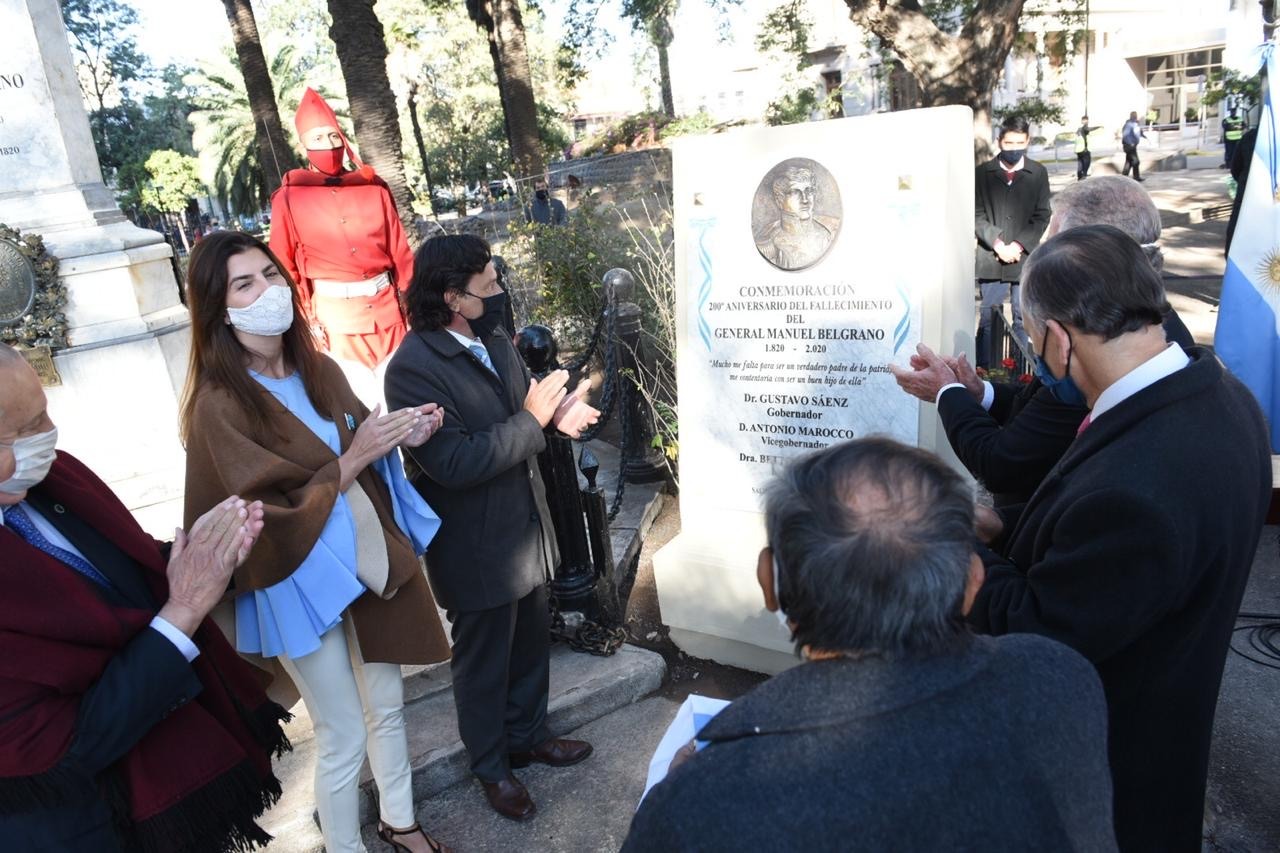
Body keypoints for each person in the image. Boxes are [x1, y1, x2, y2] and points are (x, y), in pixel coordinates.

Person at [623, 437, 1117, 852]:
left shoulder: (698, 808)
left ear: (769, 581)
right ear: (972, 583)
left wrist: (680, 795)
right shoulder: (1063, 677)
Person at [967, 225, 1271, 853]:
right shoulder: (1223, 395)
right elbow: (1116, 565)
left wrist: (950, 547)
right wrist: (1008, 527)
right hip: (1167, 743)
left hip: (1106, 789)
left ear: (1056, 338)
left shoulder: (1137, 486)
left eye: (1030, 335)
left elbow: (1039, 630)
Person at [180, 232, 453, 853]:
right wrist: (353, 460)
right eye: (244, 284)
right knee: (342, 732)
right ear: (219, 309)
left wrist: (402, 435)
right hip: (293, 579)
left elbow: (360, 437)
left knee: (387, 703)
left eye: (271, 275)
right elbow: (253, 514)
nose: (267, 291)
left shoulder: (319, 369)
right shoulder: (217, 407)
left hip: (360, 555)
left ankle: (401, 821)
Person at [0, 345, 291, 852]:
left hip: (181, 799)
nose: (47, 433)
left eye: (43, 411)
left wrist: (200, 556)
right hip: (94, 824)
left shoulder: (53, 480)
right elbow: (62, 743)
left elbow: (117, 577)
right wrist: (182, 611)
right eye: (24, 430)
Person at [384, 234, 600, 822]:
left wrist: (557, 414)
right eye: (488, 284)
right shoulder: (411, 370)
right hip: (474, 544)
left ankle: (529, 736)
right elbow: (453, 462)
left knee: (531, 642)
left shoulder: (491, 337)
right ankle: (492, 767)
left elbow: (516, 410)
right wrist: (533, 421)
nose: (499, 291)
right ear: (453, 295)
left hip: (522, 529)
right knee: (483, 664)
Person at [893, 175, 1194, 506]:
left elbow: (1003, 464)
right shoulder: (1144, 329)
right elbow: (1040, 413)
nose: (1045, 252)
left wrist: (946, 392)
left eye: (1054, 244)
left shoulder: (1098, 358)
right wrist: (982, 394)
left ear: (1095, 254)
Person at [268, 88, 414, 405]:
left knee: (406, 397)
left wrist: (415, 303)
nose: (329, 146)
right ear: (303, 144)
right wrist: (306, 318)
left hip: (389, 314)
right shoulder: (289, 198)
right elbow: (284, 267)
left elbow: (400, 252)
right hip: (337, 323)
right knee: (358, 405)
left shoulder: (373, 188)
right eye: (318, 138)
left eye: (333, 136)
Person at [974, 115, 1051, 366]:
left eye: (1020, 142)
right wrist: (997, 243)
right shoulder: (982, 173)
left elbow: (1042, 215)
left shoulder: (1038, 173)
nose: (1014, 148)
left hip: (1024, 258)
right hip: (991, 257)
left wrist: (1018, 245)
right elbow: (975, 214)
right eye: (1009, 143)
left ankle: (1021, 371)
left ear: (1028, 140)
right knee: (989, 318)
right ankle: (985, 370)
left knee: (1023, 318)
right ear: (999, 141)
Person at [752, 164, 838, 270]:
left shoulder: (827, 235)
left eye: (808, 191)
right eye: (795, 192)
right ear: (779, 200)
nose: (805, 200)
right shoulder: (767, 246)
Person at [1075, 114, 1102, 180]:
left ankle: (1079, 176)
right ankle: (1083, 176)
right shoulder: (1084, 128)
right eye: (1085, 120)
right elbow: (1089, 129)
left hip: (1078, 150)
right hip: (1085, 150)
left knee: (1080, 164)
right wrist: (1098, 127)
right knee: (1086, 165)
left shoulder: (1078, 130)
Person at [1121, 110, 1146, 181]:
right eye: (1135, 115)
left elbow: (1136, 133)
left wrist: (1142, 135)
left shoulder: (1134, 124)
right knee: (1136, 161)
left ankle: (1124, 177)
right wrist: (1130, 143)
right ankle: (1136, 177)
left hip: (1132, 145)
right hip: (1129, 146)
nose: (1136, 117)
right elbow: (1125, 135)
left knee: (1129, 161)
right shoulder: (1129, 124)